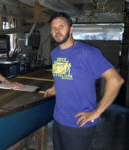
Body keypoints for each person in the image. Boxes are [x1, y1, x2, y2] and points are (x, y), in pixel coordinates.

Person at [44, 12, 124, 150]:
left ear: (71, 29)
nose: (57, 31)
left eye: (61, 26)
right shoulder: (55, 53)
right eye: (53, 28)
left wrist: (97, 112)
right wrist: (54, 87)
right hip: (59, 119)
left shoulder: (87, 52)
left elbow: (116, 80)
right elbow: (62, 74)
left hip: (79, 123)